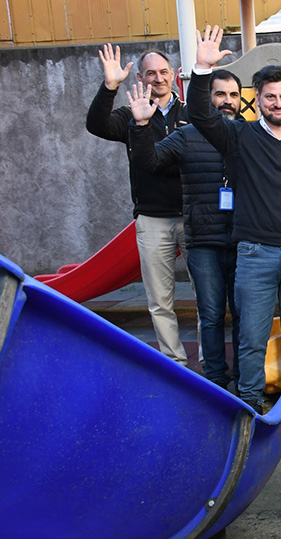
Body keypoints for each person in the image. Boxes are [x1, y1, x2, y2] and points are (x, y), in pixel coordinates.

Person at [188, 26, 281, 413]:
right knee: (251, 336)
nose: (278, 102)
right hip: (255, 255)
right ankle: (248, 403)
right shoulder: (238, 137)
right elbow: (198, 113)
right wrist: (202, 68)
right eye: (270, 97)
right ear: (258, 100)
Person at [126, 69, 244, 389]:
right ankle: (216, 379)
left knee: (244, 315)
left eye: (234, 95)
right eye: (220, 94)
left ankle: (245, 378)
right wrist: (140, 126)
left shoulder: (247, 135)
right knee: (210, 314)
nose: (227, 102)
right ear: (206, 98)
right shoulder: (185, 135)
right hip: (203, 241)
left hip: (242, 241)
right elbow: (149, 162)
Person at [86, 44, 189, 365]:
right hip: (153, 219)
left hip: (194, 218)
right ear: (142, 78)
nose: (158, 79)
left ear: (173, 75)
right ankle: (176, 364)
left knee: (210, 296)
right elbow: (96, 124)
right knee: (160, 300)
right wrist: (110, 86)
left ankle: (212, 363)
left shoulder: (190, 112)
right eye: (151, 73)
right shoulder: (131, 113)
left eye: (163, 72)